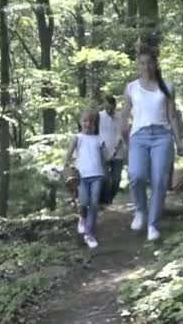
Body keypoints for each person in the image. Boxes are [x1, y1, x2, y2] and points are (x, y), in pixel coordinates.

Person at [119, 47, 183, 241]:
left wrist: (180, 141)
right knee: (136, 175)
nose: (146, 67)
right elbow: (125, 115)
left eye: (149, 62)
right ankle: (140, 211)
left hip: (162, 136)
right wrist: (123, 136)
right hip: (138, 137)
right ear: (138, 65)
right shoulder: (131, 87)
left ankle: (153, 224)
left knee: (159, 180)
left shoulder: (166, 85)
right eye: (142, 63)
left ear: (155, 63)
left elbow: (172, 115)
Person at [64, 108, 108, 249]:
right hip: (81, 176)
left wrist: (107, 169)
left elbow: (103, 158)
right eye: (85, 121)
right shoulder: (78, 138)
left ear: (94, 123)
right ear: (81, 122)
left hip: (97, 175)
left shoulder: (99, 139)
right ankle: (82, 218)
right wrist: (66, 165)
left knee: (94, 203)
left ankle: (89, 234)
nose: (88, 123)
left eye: (90, 121)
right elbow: (69, 153)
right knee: (84, 202)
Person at [98, 95, 127, 204]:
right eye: (107, 108)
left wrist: (114, 153)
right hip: (102, 153)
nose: (109, 110)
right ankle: (104, 202)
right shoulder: (99, 117)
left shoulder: (120, 117)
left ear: (114, 105)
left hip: (117, 153)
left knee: (116, 180)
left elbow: (120, 136)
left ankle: (109, 200)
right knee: (105, 179)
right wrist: (104, 152)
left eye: (111, 107)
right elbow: (97, 135)